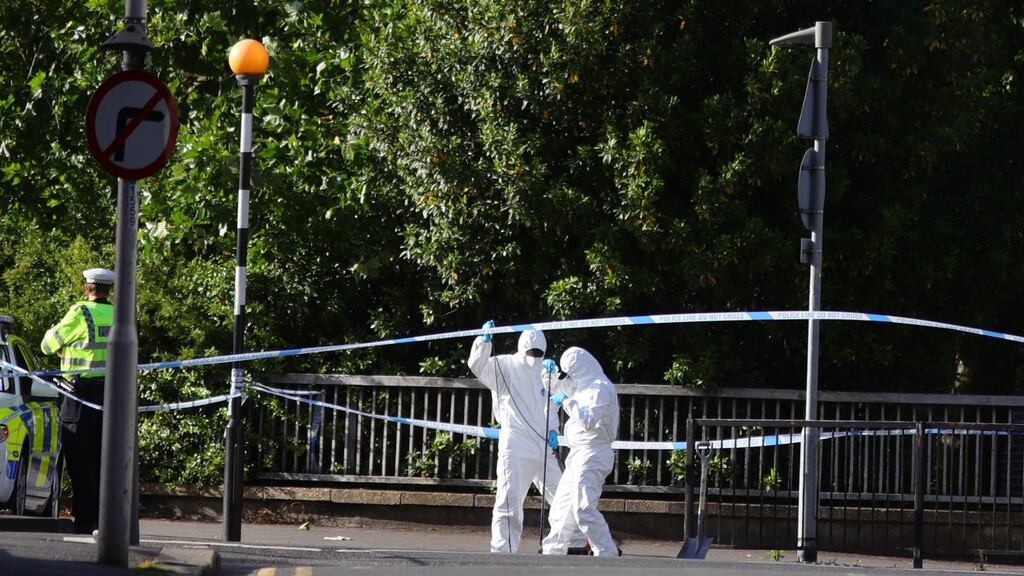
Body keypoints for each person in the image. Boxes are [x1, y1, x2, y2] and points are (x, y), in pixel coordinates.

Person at [468, 321, 584, 554]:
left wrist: (553, 429)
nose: (535, 358)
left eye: (539, 354)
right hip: (515, 442)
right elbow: (477, 366)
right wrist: (484, 342)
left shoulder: (545, 370)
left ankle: (577, 542)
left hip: (543, 443)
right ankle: (503, 549)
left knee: (563, 493)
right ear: (522, 348)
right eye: (532, 353)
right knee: (509, 498)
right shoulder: (504, 365)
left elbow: (553, 402)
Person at [40, 267, 115, 534]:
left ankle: (85, 522)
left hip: (79, 394)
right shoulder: (119, 314)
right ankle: (105, 521)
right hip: (112, 394)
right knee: (105, 458)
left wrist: (62, 348)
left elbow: (47, 345)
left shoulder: (80, 312)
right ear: (109, 290)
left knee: (80, 457)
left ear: (87, 288)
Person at [542, 346, 621, 556]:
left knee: (583, 508)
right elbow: (559, 387)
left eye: (572, 371)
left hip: (594, 453)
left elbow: (588, 420)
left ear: (582, 368)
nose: (571, 376)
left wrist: (566, 403)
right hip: (578, 454)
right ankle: (552, 553)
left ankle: (607, 552)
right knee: (561, 507)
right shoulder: (583, 385)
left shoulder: (601, 388)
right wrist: (548, 374)